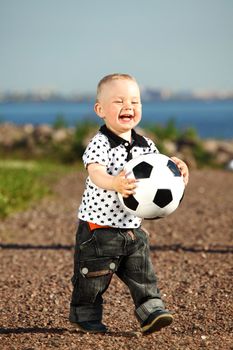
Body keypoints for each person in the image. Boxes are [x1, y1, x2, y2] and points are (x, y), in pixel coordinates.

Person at [69, 73, 189, 334]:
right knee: (93, 277)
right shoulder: (100, 143)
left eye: (135, 101)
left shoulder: (147, 145)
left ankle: (151, 311)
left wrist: (178, 170)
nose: (128, 107)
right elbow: (95, 173)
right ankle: (84, 314)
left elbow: (160, 174)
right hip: (98, 228)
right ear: (100, 110)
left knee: (142, 272)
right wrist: (114, 183)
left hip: (132, 227)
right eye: (119, 101)